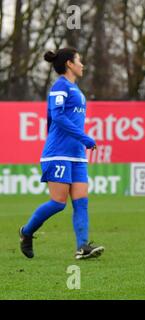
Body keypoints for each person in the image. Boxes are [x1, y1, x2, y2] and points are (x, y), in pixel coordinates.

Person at [19, 48, 104, 260]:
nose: (82, 64)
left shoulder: (76, 89)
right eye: (79, 60)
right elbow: (56, 117)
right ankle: (26, 232)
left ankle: (82, 247)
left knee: (82, 202)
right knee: (58, 203)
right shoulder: (60, 86)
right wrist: (84, 138)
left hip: (76, 156)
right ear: (69, 63)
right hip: (58, 154)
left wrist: (81, 142)